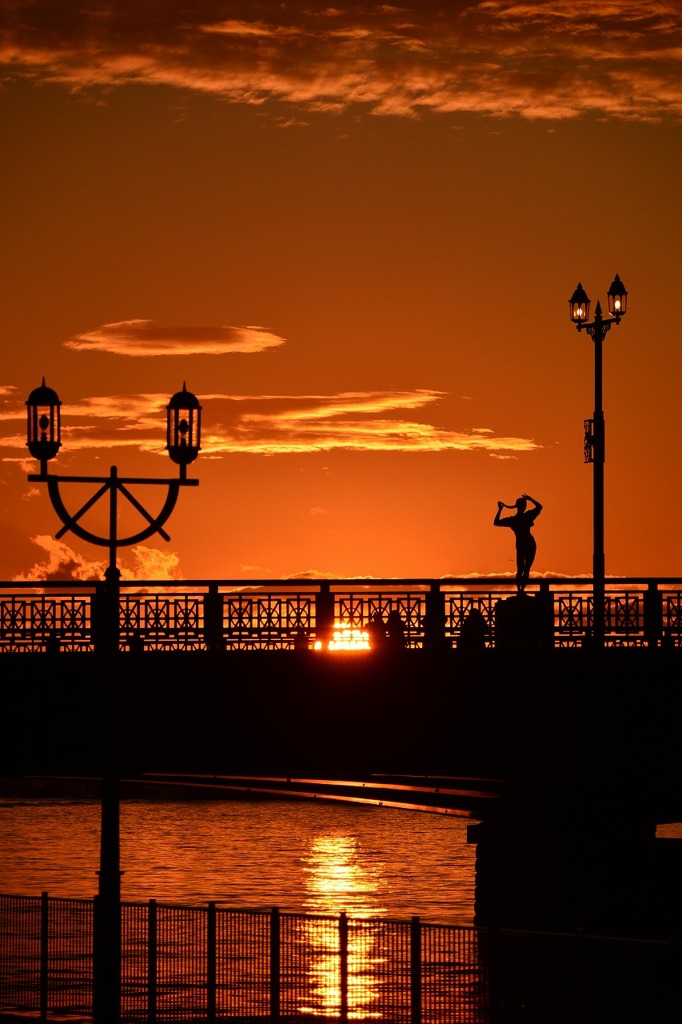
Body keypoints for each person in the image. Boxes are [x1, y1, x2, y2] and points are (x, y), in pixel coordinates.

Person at [494, 493, 543, 592]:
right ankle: (521, 591)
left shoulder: (514, 519)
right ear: (522, 506)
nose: (525, 507)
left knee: (521, 569)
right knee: (524, 569)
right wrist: (530, 499)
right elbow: (539, 507)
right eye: (524, 505)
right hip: (528, 543)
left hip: (523, 544)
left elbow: (496, 522)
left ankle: (520, 591)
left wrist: (500, 509)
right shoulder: (526, 516)